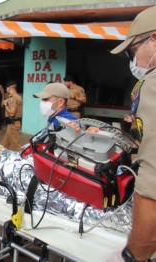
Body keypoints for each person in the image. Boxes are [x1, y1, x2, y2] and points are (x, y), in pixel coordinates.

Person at [110, 6, 156, 261]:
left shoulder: (152, 82)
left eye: (134, 51)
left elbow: (154, 179)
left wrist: (132, 255)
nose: (134, 62)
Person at [1, 81, 23, 151]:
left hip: (12, 124)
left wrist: (5, 104)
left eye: (6, 88)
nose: (6, 90)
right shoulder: (19, 97)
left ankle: (24, 159)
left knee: (17, 147)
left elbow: (11, 113)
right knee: (4, 144)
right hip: (13, 124)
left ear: (9, 88)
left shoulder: (12, 98)